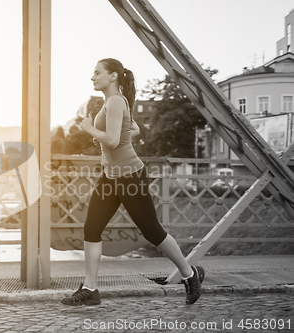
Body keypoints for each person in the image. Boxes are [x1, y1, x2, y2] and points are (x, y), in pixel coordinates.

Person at [60, 58, 204, 306]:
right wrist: (102, 137)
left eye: (97, 72)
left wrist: (89, 129)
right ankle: (90, 289)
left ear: (113, 76)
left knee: (152, 231)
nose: (92, 77)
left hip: (130, 176)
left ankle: (190, 275)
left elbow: (115, 141)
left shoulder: (116, 101)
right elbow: (132, 130)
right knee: (92, 229)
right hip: (110, 176)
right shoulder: (111, 103)